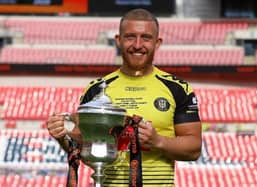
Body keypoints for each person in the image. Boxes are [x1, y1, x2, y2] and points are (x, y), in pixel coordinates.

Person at [47, 8, 202, 187]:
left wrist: (158, 141)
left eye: (146, 37)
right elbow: (88, 155)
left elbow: (194, 149)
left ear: (157, 43)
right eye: (130, 37)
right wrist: (62, 137)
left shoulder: (178, 89)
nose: (137, 45)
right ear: (118, 41)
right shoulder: (96, 90)